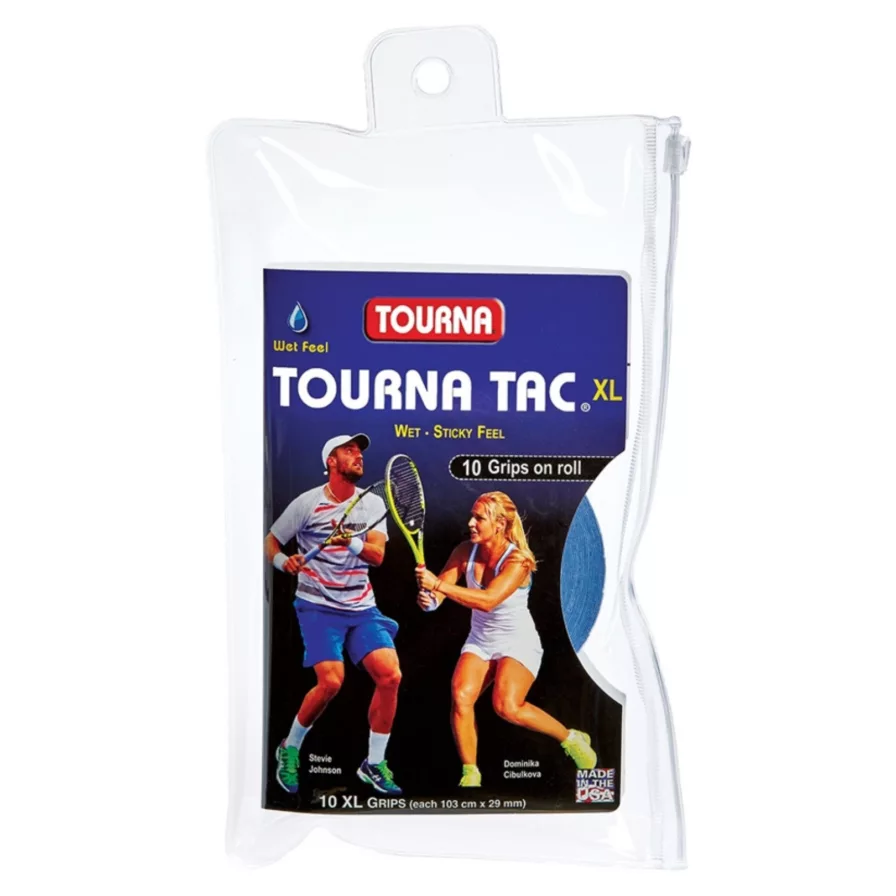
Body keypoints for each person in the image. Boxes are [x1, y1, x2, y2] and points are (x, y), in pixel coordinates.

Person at [415, 491, 597, 787]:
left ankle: (570, 738)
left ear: (499, 524)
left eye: (479, 518)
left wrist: (436, 585)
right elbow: (440, 593)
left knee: (507, 706)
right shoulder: (464, 550)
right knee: (461, 697)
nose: (470, 522)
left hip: (518, 641)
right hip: (480, 640)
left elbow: (488, 600)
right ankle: (471, 774)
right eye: (472, 516)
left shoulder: (518, 561)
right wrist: (430, 600)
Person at [265, 433, 402, 796]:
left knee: (390, 675)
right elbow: (271, 541)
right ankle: (289, 747)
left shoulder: (372, 504)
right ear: (331, 461)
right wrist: (283, 561)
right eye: (349, 450)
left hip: (362, 607)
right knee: (331, 682)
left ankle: (373, 763)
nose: (358, 456)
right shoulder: (307, 503)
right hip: (317, 607)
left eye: (360, 451)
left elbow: (377, 556)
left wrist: (349, 541)